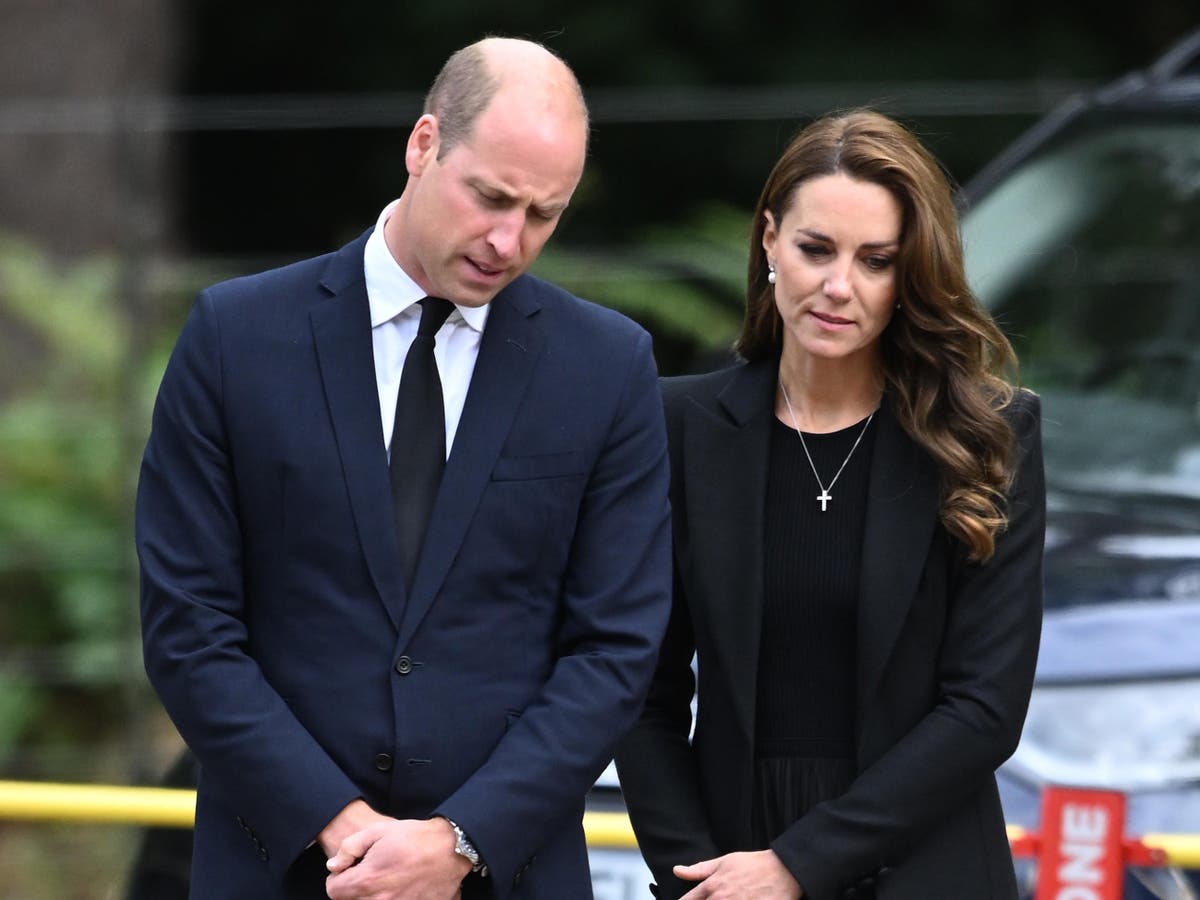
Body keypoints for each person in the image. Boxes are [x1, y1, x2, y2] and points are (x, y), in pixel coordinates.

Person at [136, 37, 672, 900]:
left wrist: (460, 842)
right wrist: (345, 831)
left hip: (509, 873)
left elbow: (615, 648)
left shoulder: (607, 367)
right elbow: (188, 628)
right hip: (274, 864)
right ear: (423, 146)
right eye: (491, 197)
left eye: (544, 214)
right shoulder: (236, 339)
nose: (509, 240)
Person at [615, 109, 1045, 900]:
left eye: (876, 261)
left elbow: (984, 708)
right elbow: (642, 692)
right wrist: (693, 875)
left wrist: (798, 866)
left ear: (909, 275)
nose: (838, 287)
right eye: (816, 249)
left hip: (927, 867)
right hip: (725, 868)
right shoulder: (676, 426)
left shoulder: (987, 434)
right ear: (770, 240)